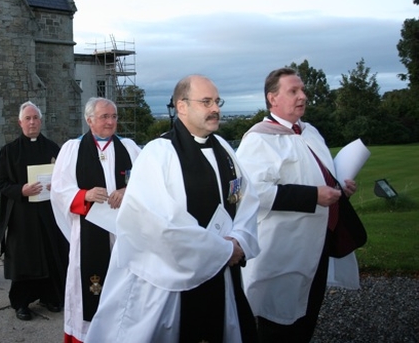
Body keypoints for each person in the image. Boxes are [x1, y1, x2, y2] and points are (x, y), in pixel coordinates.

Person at [85, 75, 260, 343]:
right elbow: (160, 223)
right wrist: (224, 250)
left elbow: (245, 197)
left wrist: (239, 239)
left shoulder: (224, 147)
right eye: (206, 101)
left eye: (216, 101)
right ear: (182, 107)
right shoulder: (159, 153)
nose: (215, 108)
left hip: (224, 275)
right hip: (175, 284)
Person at [235, 68, 360, 342]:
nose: (303, 96)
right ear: (273, 98)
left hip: (316, 243)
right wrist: (313, 196)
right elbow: (253, 193)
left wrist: (339, 189)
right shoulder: (259, 139)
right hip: (284, 247)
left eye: (302, 90)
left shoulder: (310, 132)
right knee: (278, 321)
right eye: (294, 91)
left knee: (307, 313)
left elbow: (316, 174)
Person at [50, 97, 141, 343]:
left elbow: (147, 184)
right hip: (89, 232)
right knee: (88, 287)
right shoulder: (72, 149)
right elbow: (58, 189)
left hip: (123, 232)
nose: (111, 122)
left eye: (114, 117)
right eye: (104, 117)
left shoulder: (130, 148)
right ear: (89, 120)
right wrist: (84, 195)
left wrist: (127, 191)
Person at [0, 101, 69, 321]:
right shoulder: (9, 151)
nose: (32, 122)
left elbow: (65, 177)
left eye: (35, 118)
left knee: (51, 253)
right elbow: (0, 181)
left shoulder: (54, 149)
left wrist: (58, 185)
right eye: (28, 118)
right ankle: (22, 303)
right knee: (24, 259)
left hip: (48, 213)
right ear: (20, 122)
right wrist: (21, 189)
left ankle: (51, 296)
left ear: (41, 121)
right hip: (22, 215)